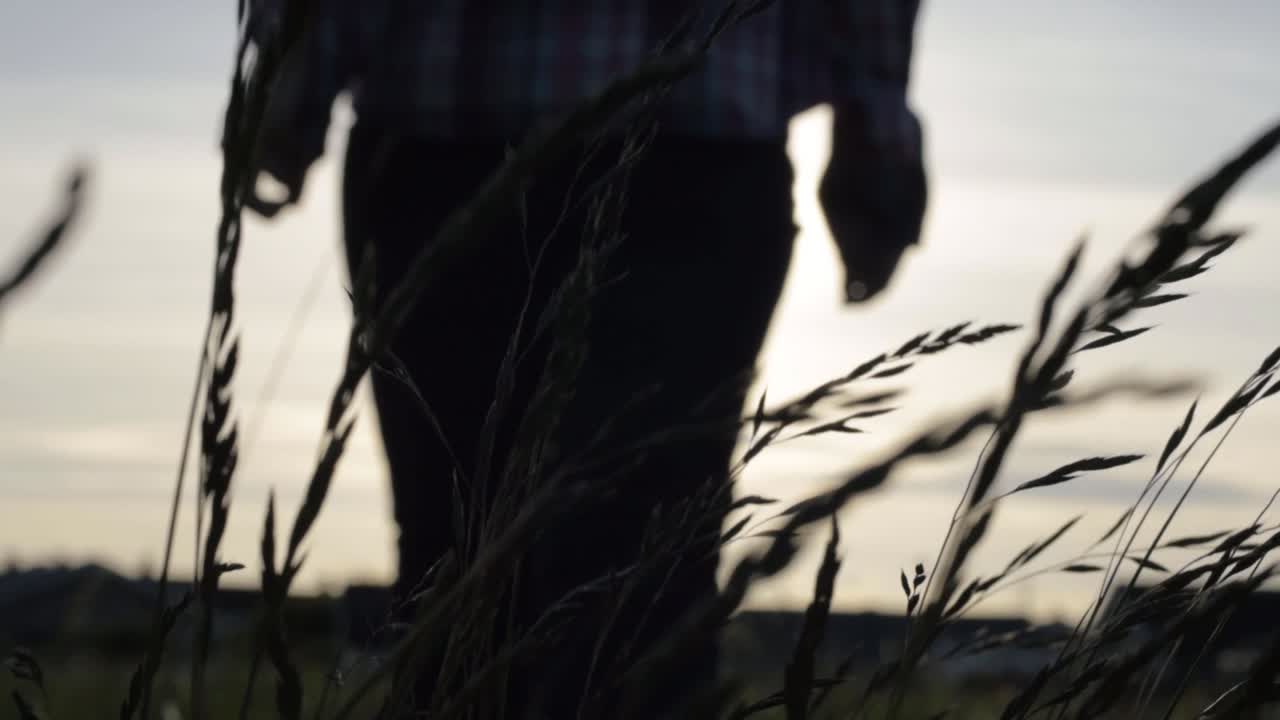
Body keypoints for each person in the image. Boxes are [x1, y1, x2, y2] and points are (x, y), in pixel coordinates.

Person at [247, 1, 926, 715]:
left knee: (505, 581)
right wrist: (875, 130)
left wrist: (289, 91)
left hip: (484, 128)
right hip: (657, 136)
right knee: (567, 586)